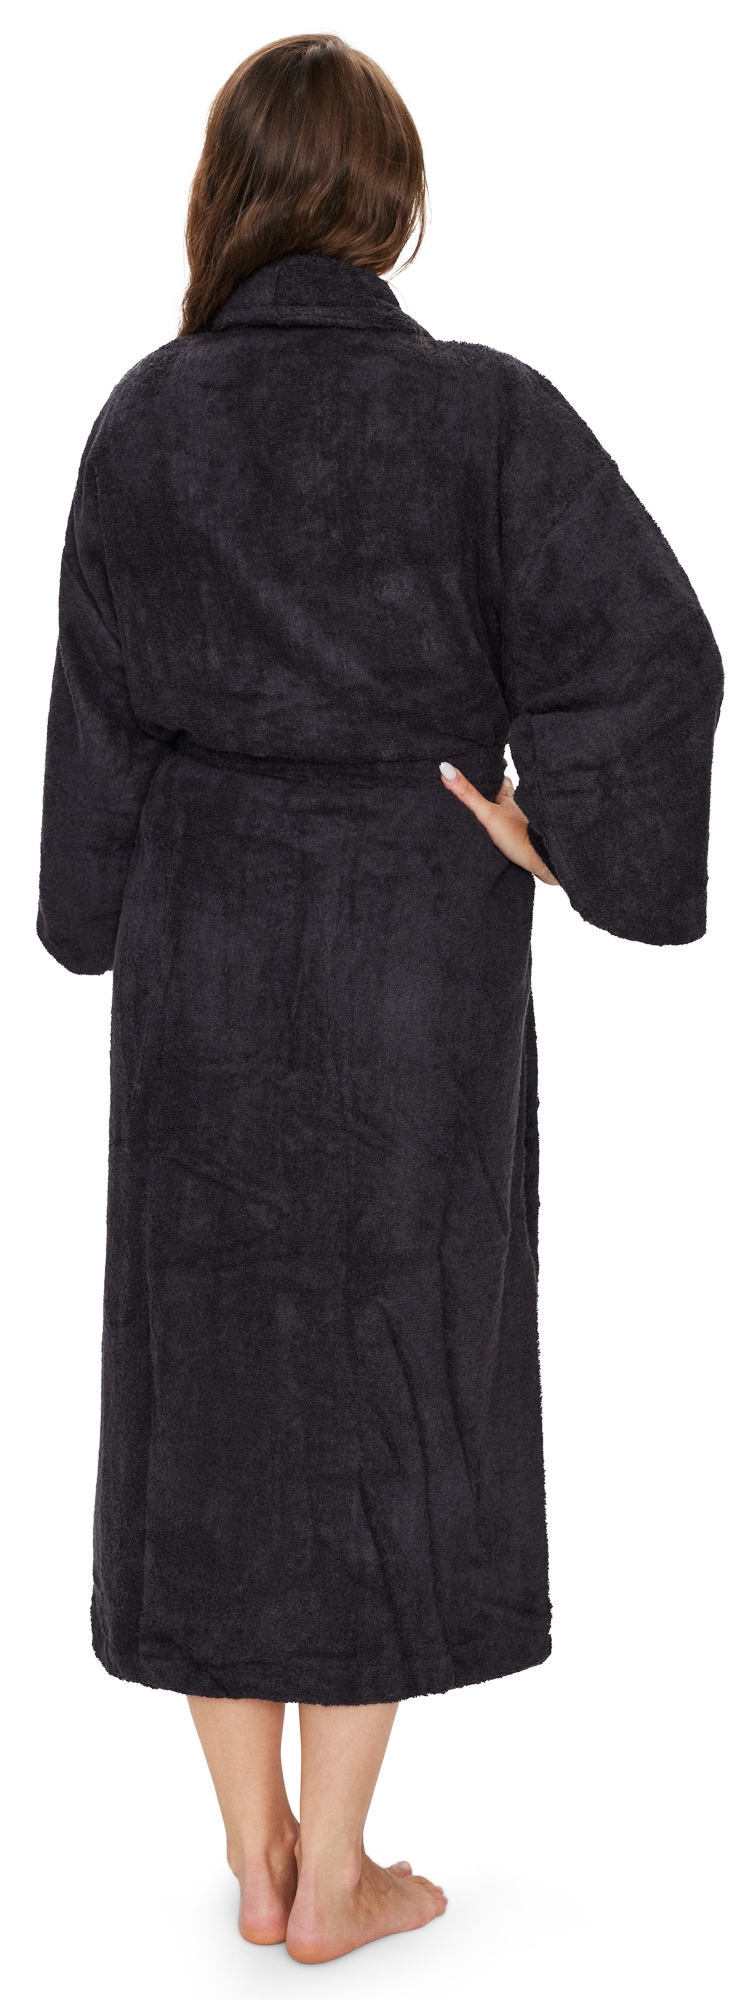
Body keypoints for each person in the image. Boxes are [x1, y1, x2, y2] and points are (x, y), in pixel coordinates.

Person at [36, 33, 723, 1967]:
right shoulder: (486, 417)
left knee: (210, 1384)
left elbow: (97, 710)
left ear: (225, 195)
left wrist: (87, 918)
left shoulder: (146, 419)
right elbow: (656, 650)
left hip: (202, 955)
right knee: (390, 1370)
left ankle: (255, 1855)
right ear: (389, 200)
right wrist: (558, 834)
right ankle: (339, 1866)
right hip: (417, 949)